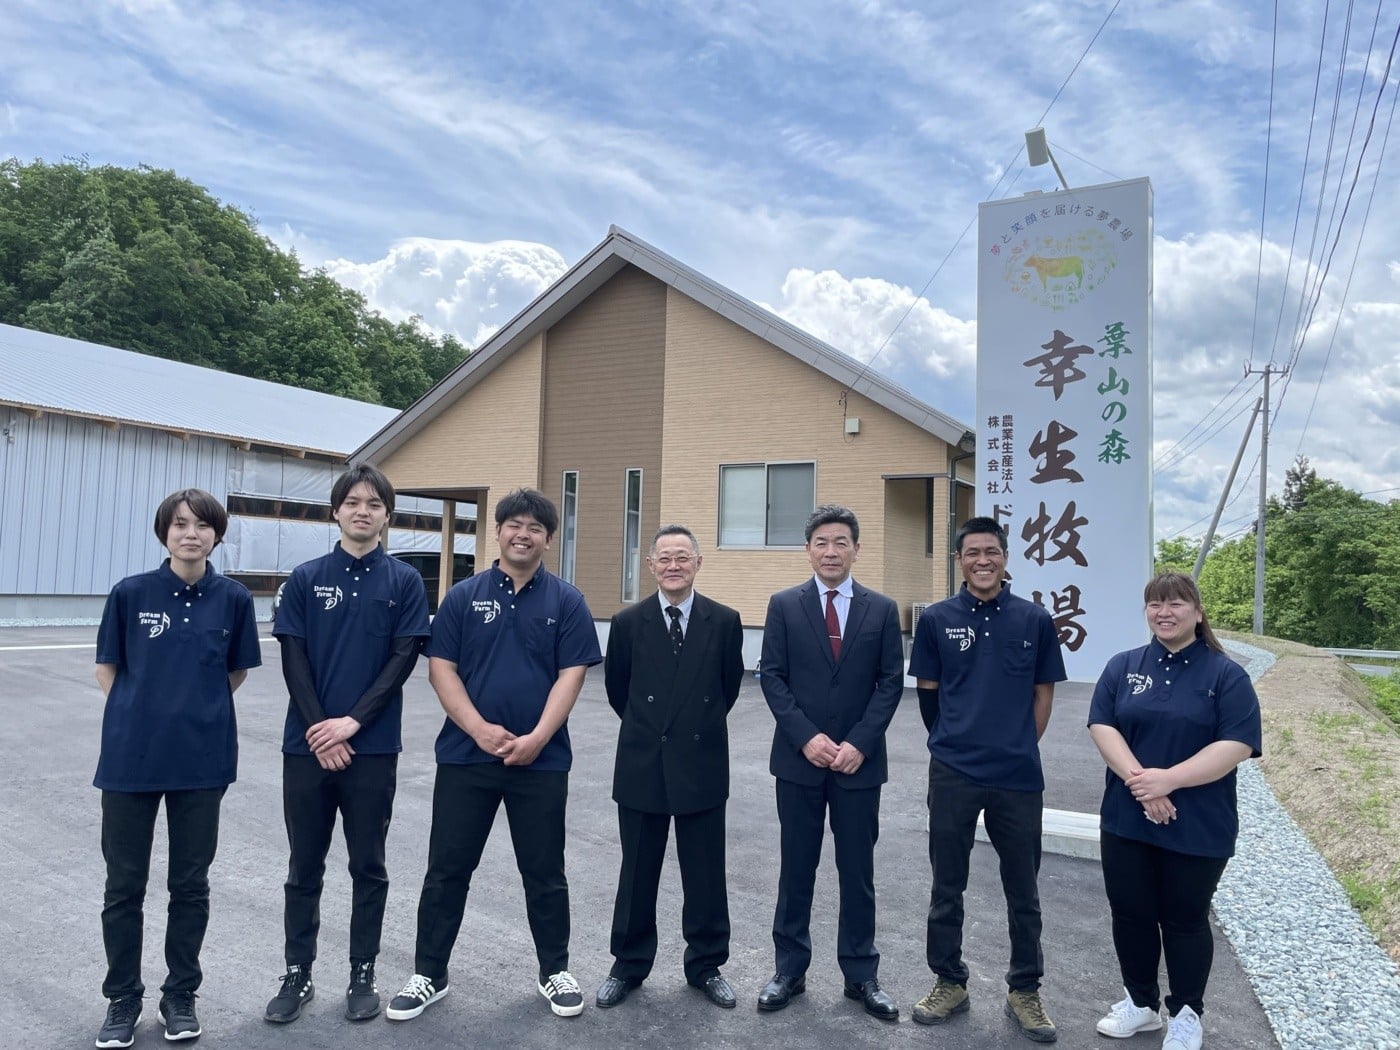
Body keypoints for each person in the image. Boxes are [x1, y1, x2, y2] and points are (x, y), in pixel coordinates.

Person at [386, 488, 602, 1022]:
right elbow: (442, 668)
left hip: (542, 762)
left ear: (549, 539)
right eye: (513, 524)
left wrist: (537, 739)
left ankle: (555, 971)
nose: (522, 533)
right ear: (497, 532)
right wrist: (479, 730)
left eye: (534, 527)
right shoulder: (462, 597)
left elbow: (570, 675)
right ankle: (428, 974)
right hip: (465, 758)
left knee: (545, 872)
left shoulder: (567, 601)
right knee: (447, 870)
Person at [92, 489, 261, 1048]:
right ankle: (122, 998)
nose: (191, 533)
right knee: (124, 886)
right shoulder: (130, 593)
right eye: (180, 524)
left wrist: (194, 712)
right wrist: (145, 716)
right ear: (164, 531)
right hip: (130, 760)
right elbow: (108, 670)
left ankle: (179, 994)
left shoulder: (233, 599)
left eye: (203, 525)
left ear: (218, 534)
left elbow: (233, 672)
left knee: (190, 885)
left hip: (202, 762)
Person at [263, 465, 430, 1024]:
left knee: (369, 865)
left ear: (388, 514)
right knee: (303, 866)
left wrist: (352, 725)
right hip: (306, 747)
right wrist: (320, 729)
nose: (363, 510)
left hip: (372, 749)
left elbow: (402, 660)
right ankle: (297, 972)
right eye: (353, 502)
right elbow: (293, 659)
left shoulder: (405, 581)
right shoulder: (306, 578)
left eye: (374, 503)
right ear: (335, 511)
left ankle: (363, 970)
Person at [1088, 572, 1261, 1050]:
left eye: (1176, 604)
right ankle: (1141, 1004)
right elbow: (1102, 725)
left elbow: (1237, 744)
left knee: (1185, 919)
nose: (1164, 612)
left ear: (1198, 612)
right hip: (1127, 819)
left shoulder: (1225, 675)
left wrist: (1170, 779)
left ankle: (1187, 1012)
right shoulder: (1124, 666)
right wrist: (1144, 785)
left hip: (1199, 824)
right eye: (1154, 604)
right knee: (1131, 914)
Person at [909, 516, 1065, 1043]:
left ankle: (1025, 988)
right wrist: (955, 742)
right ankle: (949, 981)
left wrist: (1019, 742)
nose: (983, 560)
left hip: (1018, 776)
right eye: (972, 552)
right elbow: (929, 693)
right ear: (960, 559)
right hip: (953, 772)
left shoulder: (1033, 619)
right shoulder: (937, 619)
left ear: (1004, 557)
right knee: (946, 885)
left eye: (991, 551)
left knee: (1023, 889)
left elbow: (1044, 694)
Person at [757, 504, 904, 1021]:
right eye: (821, 542)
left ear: (856, 549)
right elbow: (771, 676)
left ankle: (861, 974)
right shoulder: (784, 605)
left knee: (857, 871)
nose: (831, 551)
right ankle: (789, 969)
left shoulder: (882, 609)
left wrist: (860, 743)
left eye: (841, 542)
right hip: (800, 762)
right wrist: (806, 738)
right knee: (796, 867)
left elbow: (891, 682)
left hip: (859, 765)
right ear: (808, 550)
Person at [596, 524, 746, 1011]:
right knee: (637, 870)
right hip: (643, 760)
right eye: (665, 558)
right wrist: (655, 729)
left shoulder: (724, 620)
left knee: (705, 871)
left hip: (701, 759)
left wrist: (688, 727)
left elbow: (727, 688)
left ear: (698, 562)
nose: (674, 565)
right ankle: (628, 964)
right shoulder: (627, 622)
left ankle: (706, 964)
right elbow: (621, 692)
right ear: (651, 566)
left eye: (683, 556)